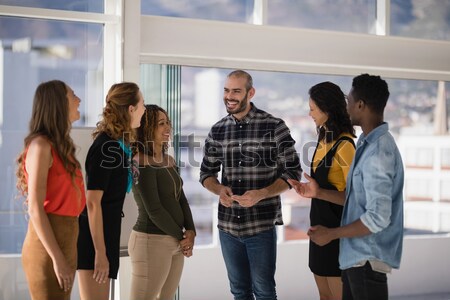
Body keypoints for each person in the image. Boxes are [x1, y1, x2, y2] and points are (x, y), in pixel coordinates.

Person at [289, 74, 404, 300]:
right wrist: (316, 192)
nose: (347, 105)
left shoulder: (360, 148)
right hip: (335, 237)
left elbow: (372, 212)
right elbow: (355, 195)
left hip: (353, 244)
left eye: (313, 109)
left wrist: (333, 233)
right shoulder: (356, 143)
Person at [200, 69, 301, 300]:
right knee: (239, 292)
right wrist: (218, 189)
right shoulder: (218, 130)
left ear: (250, 93)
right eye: (226, 90)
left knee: (264, 291)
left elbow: (293, 171)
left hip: (260, 226)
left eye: (236, 91)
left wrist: (262, 193)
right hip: (228, 227)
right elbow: (207, 173)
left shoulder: (274, 126)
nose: (229, 96)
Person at [17, 80, 86, 300]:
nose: (79, 100)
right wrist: (57, 258)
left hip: (67, 238)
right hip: (48, 246)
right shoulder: (40, 146)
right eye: (73, 95)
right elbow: (35, 209)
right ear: (58, 103)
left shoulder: (61, 146)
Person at [77, 82, 146, 300]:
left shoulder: (119, 145)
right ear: (131, 109)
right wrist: (100, 253)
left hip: (106, 236)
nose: (145, 110)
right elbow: (92, 203)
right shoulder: (106, 146)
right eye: (142, 104)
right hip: (94, 242)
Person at [128, 104, 196, 300]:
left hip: (175, 241)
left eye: (168, 123)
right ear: (146, 128)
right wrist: (183, 238)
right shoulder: (139, 161)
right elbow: (154, 210)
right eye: (161, 124)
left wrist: (190, 231)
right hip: (151, 241)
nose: (167, 128)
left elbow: (181, 199)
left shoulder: (169, 160)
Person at [305, 82, 356, 300]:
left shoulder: (346, 146)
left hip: (337, 235)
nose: (310, 114)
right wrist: (308, 190)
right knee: (324, 297)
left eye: (313, 109)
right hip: (318, 232)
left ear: (326, 109)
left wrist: (319, 193)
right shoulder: (323, 140)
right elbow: (322, 186)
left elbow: (357, 199)